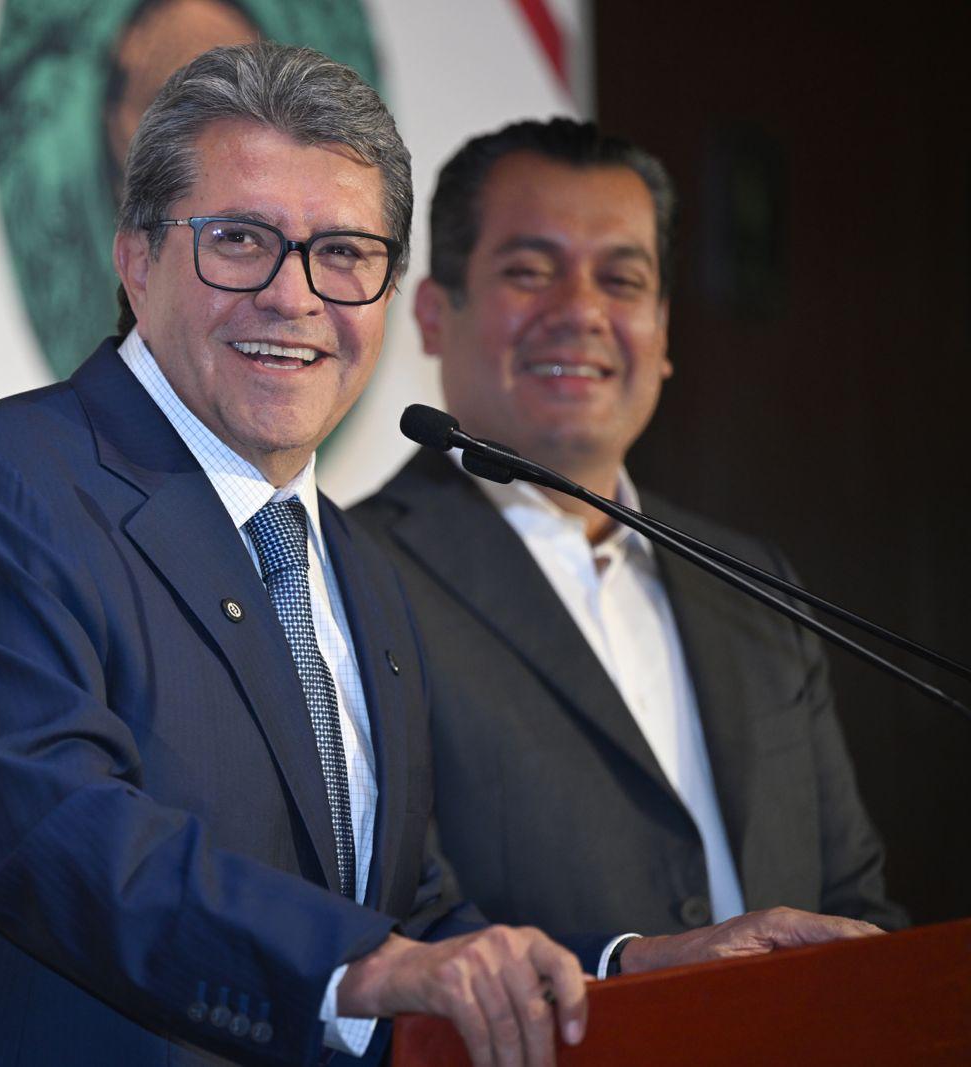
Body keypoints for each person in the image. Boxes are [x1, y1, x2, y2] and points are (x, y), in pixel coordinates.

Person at [0, 46, 873, 1067]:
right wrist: (367, 964)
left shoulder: (353, 562)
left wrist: (635, 965)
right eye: (239, 240)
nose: (293, 296)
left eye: (343, 253)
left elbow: (405, 911)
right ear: (137, 258)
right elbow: (65, 837)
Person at [352, 117, 905, 968]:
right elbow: (386, 925)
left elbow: (855, 905)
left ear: (663, 329)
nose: (580, 312)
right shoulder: (352, 574)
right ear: (432, 314)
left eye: (621, 279)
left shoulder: (754, 581)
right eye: (530, 272)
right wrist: (626, 965)